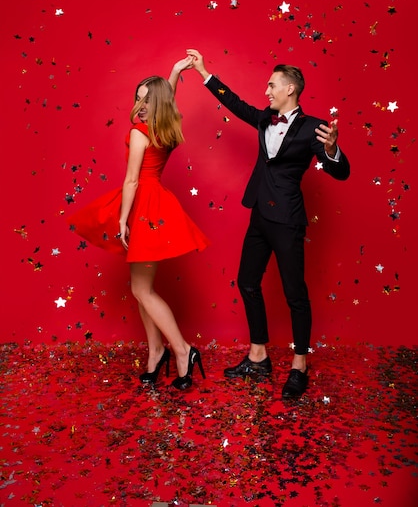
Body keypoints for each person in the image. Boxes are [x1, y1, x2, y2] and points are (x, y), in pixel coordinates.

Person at [186, 48, 350, 398]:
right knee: (247, 282)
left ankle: (299, 365)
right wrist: (204, 71)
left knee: (295, 295)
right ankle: (258, 355)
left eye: (272, 85)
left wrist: (334, 151)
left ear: (290, 89)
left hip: (288, 220)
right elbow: (236, 104)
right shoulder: (264, 118)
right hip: (260, 215)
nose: (267, 91)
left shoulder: (313, 128)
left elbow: (342, 173)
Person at [68, 56, 208, 390]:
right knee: (140, 289)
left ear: (155, 104)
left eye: (147, 99)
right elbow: (166, 100)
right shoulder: (166, 127)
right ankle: (157, 351)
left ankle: (183, 350)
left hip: (143, 206)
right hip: (157, 206)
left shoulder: (140, 132)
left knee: (141, 289)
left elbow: (131, 181)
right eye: (138, 97)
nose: (141, 104)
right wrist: (174, 73)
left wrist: (121, 218)